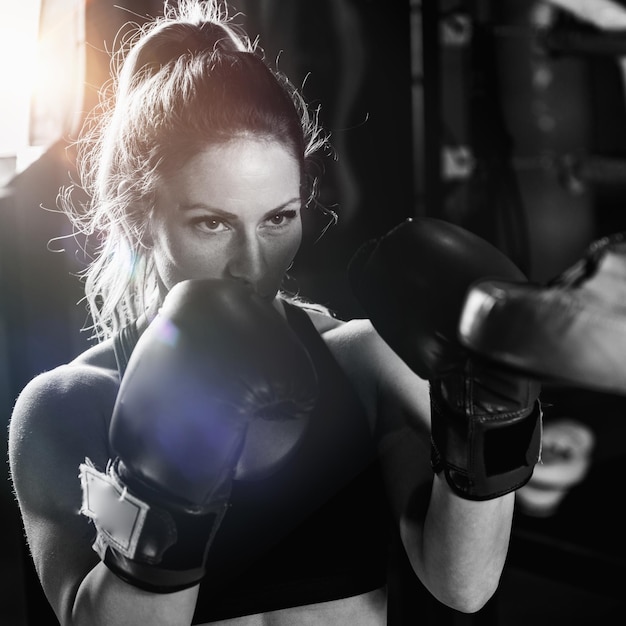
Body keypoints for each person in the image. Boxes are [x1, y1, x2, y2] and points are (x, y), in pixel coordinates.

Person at [8, 1, 542, 625]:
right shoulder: (68, 405)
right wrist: (164, 486)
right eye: (211, 223)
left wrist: (495, 412)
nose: (251, 262)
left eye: (278, 219)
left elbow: (465, 585)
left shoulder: (363, 365)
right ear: (138, 217)